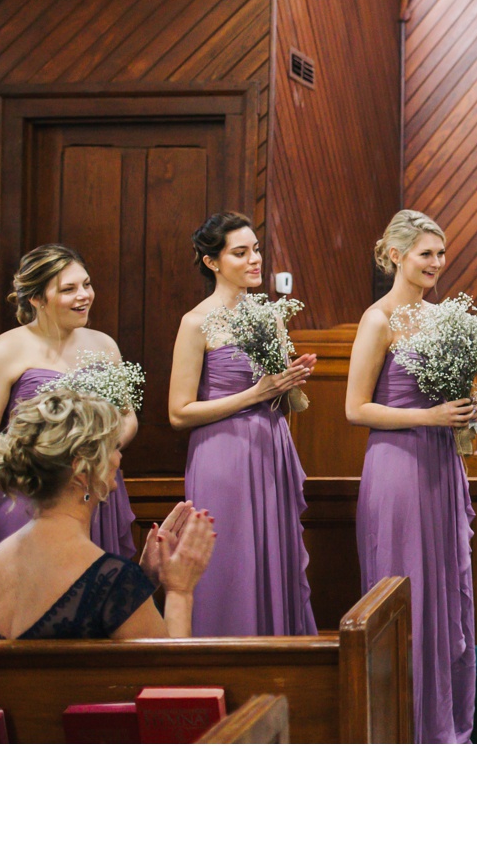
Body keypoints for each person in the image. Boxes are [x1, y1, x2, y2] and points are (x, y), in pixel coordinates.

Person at [346, 209, 477, 743]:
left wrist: (470, 409)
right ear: (396, 256)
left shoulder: (445, 316)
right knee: (406, 588)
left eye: (440, 253)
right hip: (398, 467)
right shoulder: (378, 319)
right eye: (425, 253)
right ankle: (403, 728)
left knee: (447, 589)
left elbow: (456, 392)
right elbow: (356, 408)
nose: (436, 263)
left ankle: (446, 723)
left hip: (440, 465)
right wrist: (428, 417)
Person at [168, 212, 319, 636]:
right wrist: (255, 393)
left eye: (255, 249)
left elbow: (275, 390)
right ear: (211, 262)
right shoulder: (196, 322)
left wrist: (290, 379)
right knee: (230, 561)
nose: (255, 260)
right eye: (241, 252)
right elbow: (178, 412)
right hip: (223, 453)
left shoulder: (269, 315)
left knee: (273, 555)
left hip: (271, 446)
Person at [0, 389, 216, 640]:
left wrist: (145, 579)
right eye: (114, 447)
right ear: (82, 471)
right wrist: (179, 591)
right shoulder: (112, 583)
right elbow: (170, 678)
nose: (119, 457)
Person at [0, 245, 137, 557]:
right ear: (37, 299)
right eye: (69, 289)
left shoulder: (104, 345)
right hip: (34, 491)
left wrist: (98, 452)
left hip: (95, 486)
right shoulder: (4, 350)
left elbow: (128, 416)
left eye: (87, 284)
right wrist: (47, 458)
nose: (84, 295)